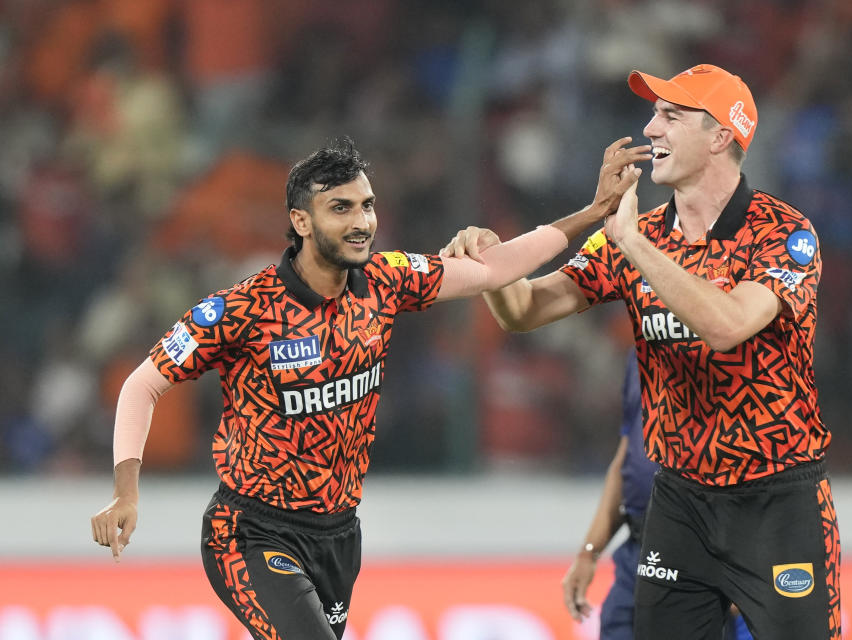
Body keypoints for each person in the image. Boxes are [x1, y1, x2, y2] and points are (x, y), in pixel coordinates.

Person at [90, 136, 650, 640]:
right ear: (301, 221)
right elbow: (142, 386)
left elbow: (494, 271)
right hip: (252, 532)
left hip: (338, 536)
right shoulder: (243, 308)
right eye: (341, 209)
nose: (361, 222)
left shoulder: (385, 280)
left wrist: (594, 212)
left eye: (367, 205)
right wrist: (126, 491)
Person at [444, 64, 840, 639]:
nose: (650, 128)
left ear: (721, 136)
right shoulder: (639, 233)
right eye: (654, 113)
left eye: (671, 115)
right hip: (679, 501)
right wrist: (492, 264)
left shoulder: (783, 232)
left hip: (777, 501)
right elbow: (525, 311)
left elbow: (727, 325)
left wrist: (632, 244)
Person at [561, 352, 753, 640]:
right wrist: (588, 553)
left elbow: (755, 464)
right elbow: (626, 460)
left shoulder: (725, 347)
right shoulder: (639, 354)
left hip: (700, 550)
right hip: (637, 549)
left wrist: (742, 563)